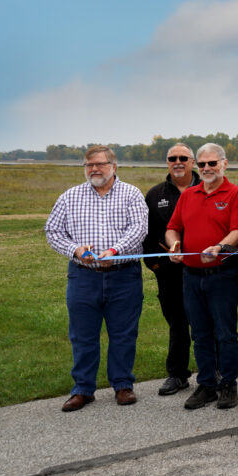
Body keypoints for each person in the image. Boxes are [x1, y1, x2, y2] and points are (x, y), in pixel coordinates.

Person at [45, 145, 148, 412]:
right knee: (82, 335)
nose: (94, 169)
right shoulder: (70, 197)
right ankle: (82, 389)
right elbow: (53, 231)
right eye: (89, 165)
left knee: (123, 334)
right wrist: (75, 249)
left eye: (99, 164)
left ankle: (123, 385)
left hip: (123, 275)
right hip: (83, 276)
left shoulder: (131, 194)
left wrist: (115, 251)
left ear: (114, 166)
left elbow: (139, 229)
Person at [165, 143, 238, 410]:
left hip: (222, 275)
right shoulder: (189, 195)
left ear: (224, 164)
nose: (207, 169)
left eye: (213, 163)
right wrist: (175, 245)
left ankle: (228, 383)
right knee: (199, 333)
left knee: (225, 333)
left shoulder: (235, 194)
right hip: (191, 276)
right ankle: (207, 384)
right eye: (202, 165)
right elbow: (172, 228)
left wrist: (220, 247)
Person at [143, 143, 200, 396]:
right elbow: (147, 234)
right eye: (172, 158)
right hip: (169, 272)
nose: (178, 162)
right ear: (167, 162)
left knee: (206, 323)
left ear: (193, 162)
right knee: (177, 324)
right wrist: (155, 264)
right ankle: (177, 374)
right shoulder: (156, 194)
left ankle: (215, 371)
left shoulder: (207, 188)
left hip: (203, 270)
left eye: (183, 158)